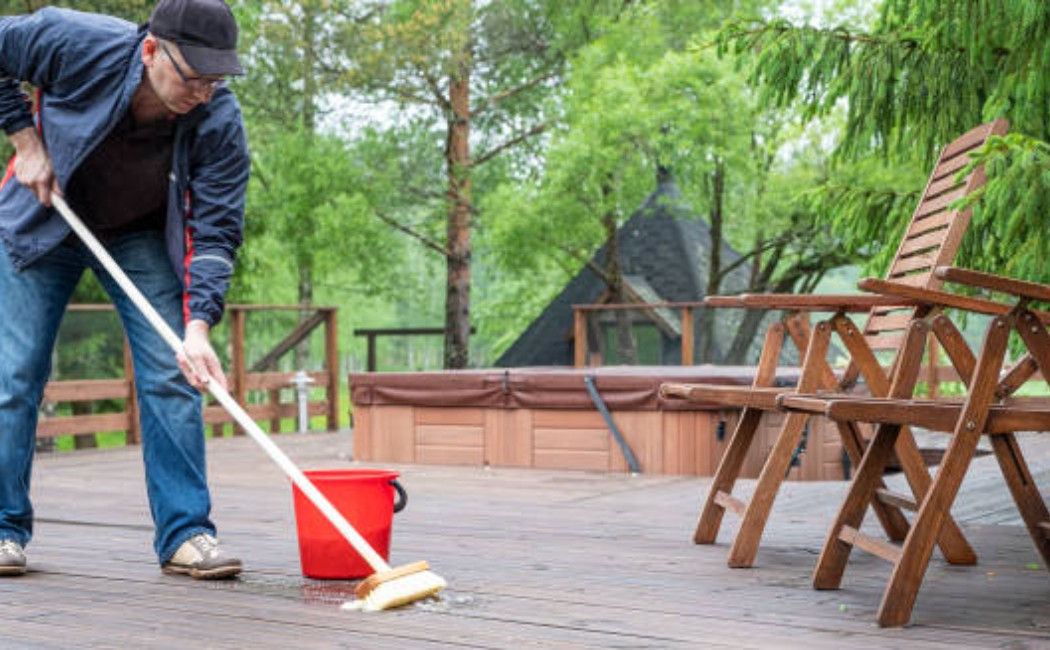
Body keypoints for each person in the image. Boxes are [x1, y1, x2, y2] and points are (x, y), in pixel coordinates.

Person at [0, 0, 249, 579]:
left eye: (217, 79)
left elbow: (214, 233)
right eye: (194, 78)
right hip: (44, 215)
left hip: (134, 234)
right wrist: (25, 139)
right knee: (14, 375)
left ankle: (187, 533)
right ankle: (4, 530)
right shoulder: (73, 40)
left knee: (172, 369)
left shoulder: (218, 119)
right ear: (151, 51)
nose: (204, 93)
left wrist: (197, 327)